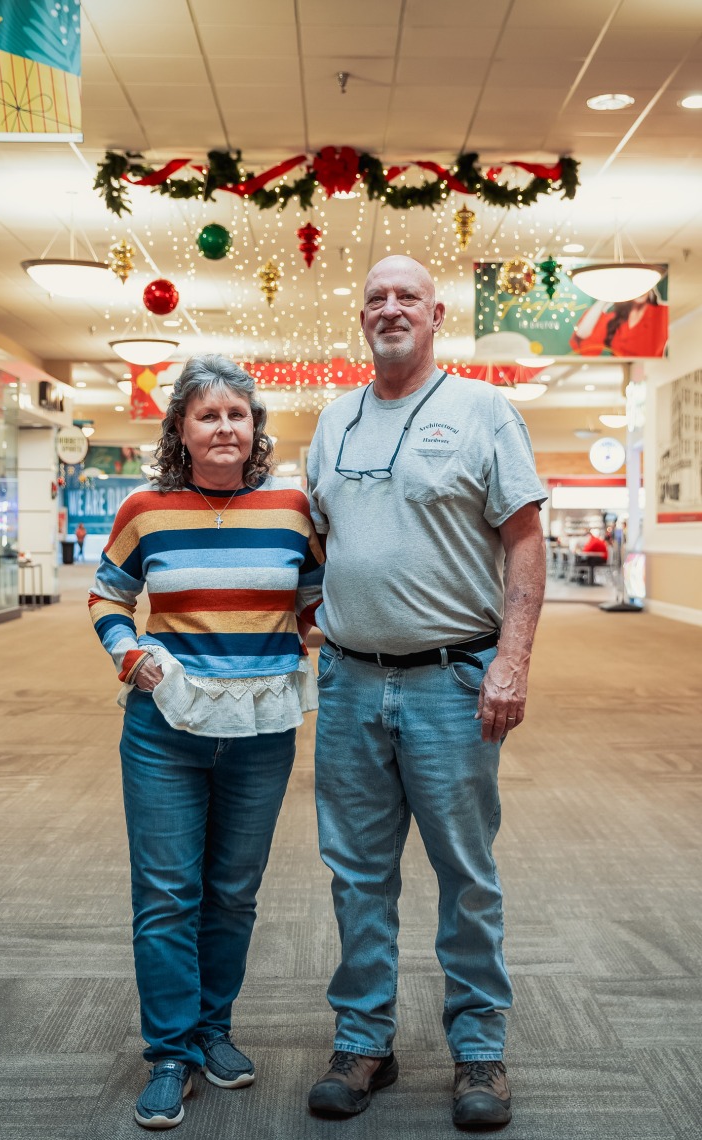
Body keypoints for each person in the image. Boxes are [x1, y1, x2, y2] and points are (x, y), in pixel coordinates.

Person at [305, 256, 546, 1129]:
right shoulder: (333, 421)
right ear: (361, 317)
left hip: (454, 680)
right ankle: (364, 1040)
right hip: (350, 685)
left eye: (407, 296)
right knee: (356, 874)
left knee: (465, 874)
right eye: (376, 297)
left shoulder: (484, 410)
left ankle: (479, 1052)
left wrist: (512, 662)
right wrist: (313, 616)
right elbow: (321, 541)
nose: (391, 308)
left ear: (436, 314)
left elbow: (525, 541)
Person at [88, 355, 323, 1130]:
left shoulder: (293, 509)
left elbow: (317, 602)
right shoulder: (147, 508)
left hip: (261, 733)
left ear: (255, 429)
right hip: (165, 730)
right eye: (208, 415)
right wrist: (132, 655)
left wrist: (330, 637)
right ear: (181, 431)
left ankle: (213, 1030)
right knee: (166, 897)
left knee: (232, 894)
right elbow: (108, 596)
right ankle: (169, 1052)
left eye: (238, 415)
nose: (225, 427)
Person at [569, 289, 667, 357]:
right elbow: (581, 334)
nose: (640, 291)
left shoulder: (662, 313)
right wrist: (606, 298)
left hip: (653, 374)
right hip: (616, 376)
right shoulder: (615, 320)